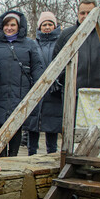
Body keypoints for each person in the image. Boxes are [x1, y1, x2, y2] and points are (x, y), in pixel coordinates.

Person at [0, 11, 44, 157]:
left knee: (16, 126)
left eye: (13, 25)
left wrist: (37, 90)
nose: (9, 28)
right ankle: (1, 158)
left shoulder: (29, 44)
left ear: (19, 26)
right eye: (6, 25)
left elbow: (37, 67)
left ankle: (13, 157)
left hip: (20, 92)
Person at [52, 0, 100, 90]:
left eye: (89, 13)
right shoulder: (67, 35)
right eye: (82, 13)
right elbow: (56, 60)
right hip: (73, 91)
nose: (85, 16)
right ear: (78, 14)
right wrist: (64, 78)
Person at [27, 12, 63, 155]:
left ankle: (52, 155)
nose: (47, 27)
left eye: (50, 24)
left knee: (52, 127)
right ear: (39, 27)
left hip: (54, 91)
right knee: (33, 127)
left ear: (55, 26)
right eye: (44, 25)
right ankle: (31, 155)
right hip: (36, 90)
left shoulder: (60, 43)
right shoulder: (33, 44)